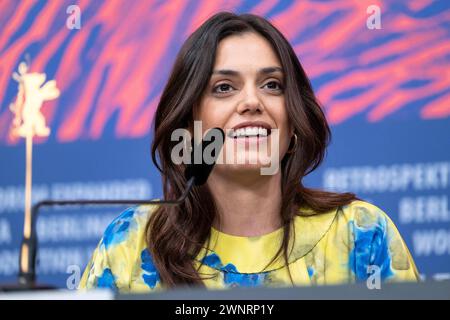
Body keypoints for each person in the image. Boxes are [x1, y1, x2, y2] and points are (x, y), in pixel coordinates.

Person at [78, 12, 419, 293]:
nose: (252, 103)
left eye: (272, 85)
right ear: (189, 121)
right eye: (224, 88)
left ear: (294, 117)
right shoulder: (132, 243)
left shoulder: (362, 232)